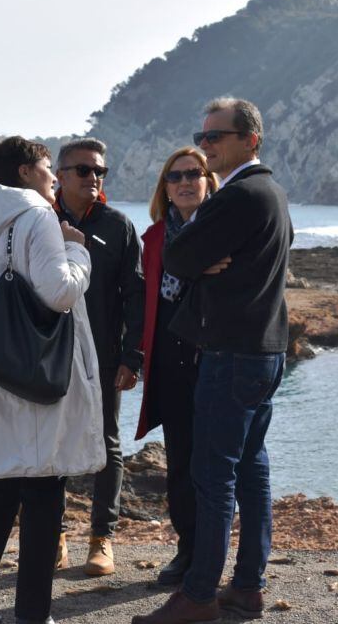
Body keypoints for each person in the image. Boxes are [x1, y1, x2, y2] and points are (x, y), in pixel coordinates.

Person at [133, 99, 293, 624]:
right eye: (201, 137)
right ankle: (247, 587)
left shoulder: (240, 194)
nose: (206, 146)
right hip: (266, 350)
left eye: (215, 138)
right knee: (251, 470)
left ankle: (199, 594)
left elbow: (178, 257)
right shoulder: (273, 194)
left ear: (250, 139)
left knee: (213, 474)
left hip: (229, 353)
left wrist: (198, 259)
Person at [0, 136, 104, 624]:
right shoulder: (37, 215)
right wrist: (79, 253)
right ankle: (33, 615)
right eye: (45, 167)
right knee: (43, 493)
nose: (54, 177)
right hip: (30, 376)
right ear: (23, 172)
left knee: (0, 492)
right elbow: (58, 292)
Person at [51, 137, 145, 576]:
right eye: (84, 170)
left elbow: (137, 296)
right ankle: (54, 537)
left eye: (100, 171)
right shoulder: (40, 221)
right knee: (50, 443)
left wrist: (133, 356)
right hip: (48, 356)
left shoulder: (119, 225)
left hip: (104, 359)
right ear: (61, 176)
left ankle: (101, 540)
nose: (94, 178)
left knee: (106, 443)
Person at [132, 147, 219, 587]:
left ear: (208, 180)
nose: (185, 182)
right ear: (165, 188)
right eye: (175, 176)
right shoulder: (154, 237)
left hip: (215, 360)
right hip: (168, 363)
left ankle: (213, 555)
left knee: (217, 464)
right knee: (180, 463)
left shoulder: (222, 230)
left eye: (194, 174)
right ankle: (187, 550)